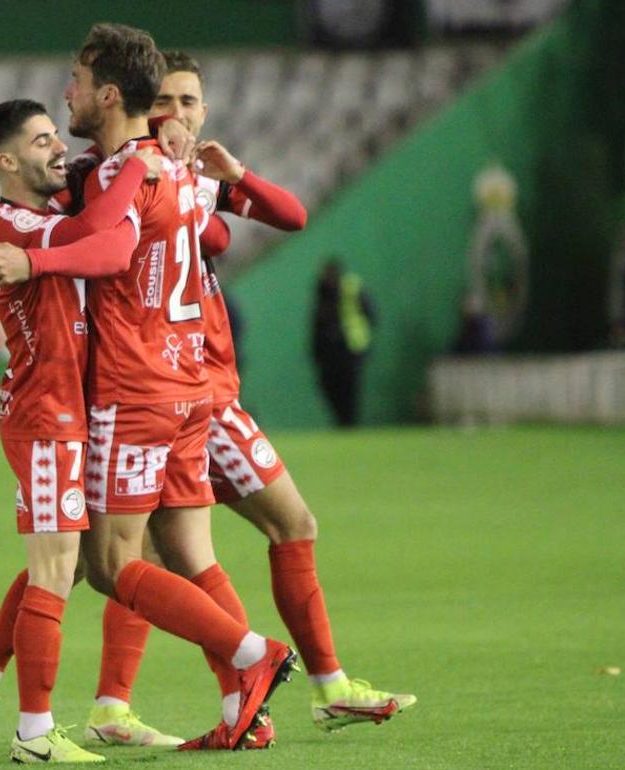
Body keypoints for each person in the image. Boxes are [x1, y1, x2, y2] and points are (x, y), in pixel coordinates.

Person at [63, 51, 414, 748]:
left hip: (173, 392)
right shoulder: (135, 177)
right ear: (140, 106)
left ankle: (224, 687)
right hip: (193, 393)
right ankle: (282, 687)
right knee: (163, 552)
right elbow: (204, 232)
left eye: (191, 101)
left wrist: (225, 179)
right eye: (166, 101)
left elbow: (284, 214)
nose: (179, 114)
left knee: (128, 558)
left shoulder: (176, 178)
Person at [65, 23, 296, 752]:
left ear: (108, 94)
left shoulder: (124, 173)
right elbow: (225, 236)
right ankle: (242, 708)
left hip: (136, 391)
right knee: (189, 552)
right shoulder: (176, 177)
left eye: (75, 80)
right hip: (190, 387)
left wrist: (35, 253)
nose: (65, 92)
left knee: (109, 565)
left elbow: (101, 241)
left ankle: (256, 656)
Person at [0, 97, 160, 764]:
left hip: (71, 412)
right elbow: (109, 243)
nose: (55, 147)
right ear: (6, 162)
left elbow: (100, 230)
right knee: (55, 566)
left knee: (59, 568)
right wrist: (139, 164)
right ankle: (35, 734)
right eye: (40, 142)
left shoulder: (44, 216)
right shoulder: (15, 225)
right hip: (45, 417)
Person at [312, 258, 376, 427]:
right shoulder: (321, 291)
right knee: (330, 386)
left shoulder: (351, 288)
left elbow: (370, 314)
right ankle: (343, 422)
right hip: (328, 351)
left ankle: (349, 423)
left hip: (350, 348)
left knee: (349, 388)